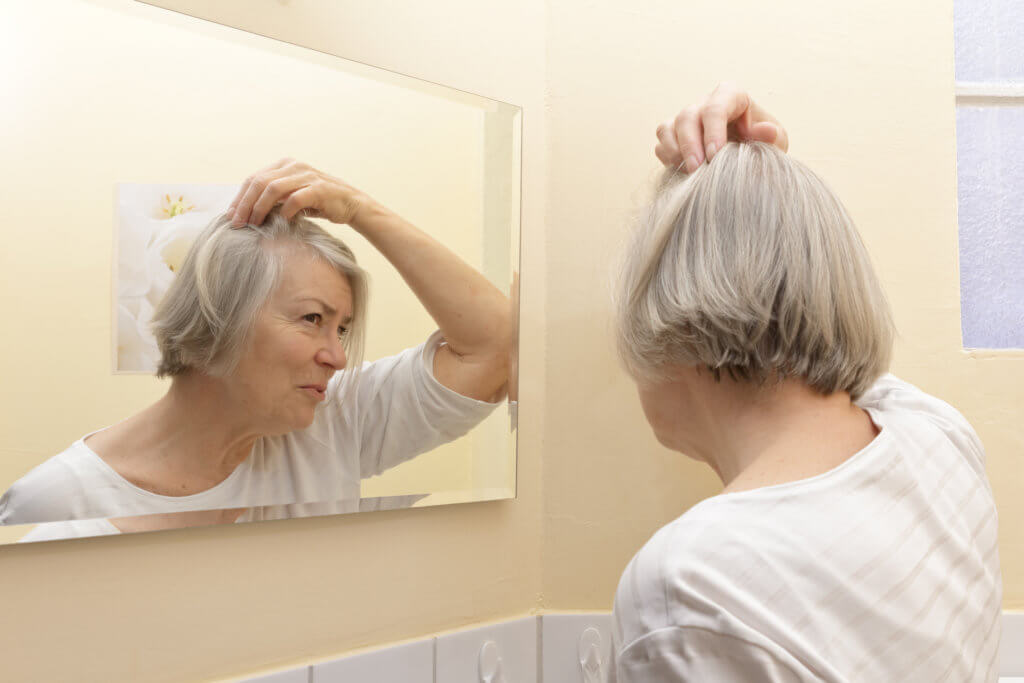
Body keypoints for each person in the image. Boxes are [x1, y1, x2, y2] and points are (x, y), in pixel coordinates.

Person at [608, 83, 1002, 682]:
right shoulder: (938, 440)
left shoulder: (690, 586)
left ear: (667, 316)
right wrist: (764, 180)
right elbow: (824, 333)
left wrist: (749, 188)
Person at [0, 159, 511, 530]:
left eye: (342, 330)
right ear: (216, 320)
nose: (335, 356)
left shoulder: (334, 423)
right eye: (313, 319)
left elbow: (496, 347)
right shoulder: (55, 505)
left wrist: (359, 210)